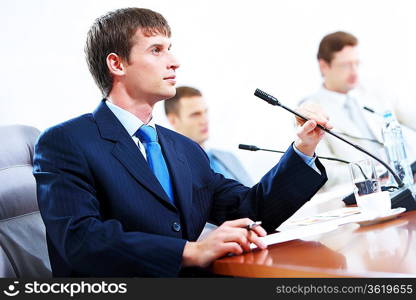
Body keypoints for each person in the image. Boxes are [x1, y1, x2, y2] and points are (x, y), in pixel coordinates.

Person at [33, 7, 330, 277]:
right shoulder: (66, 142)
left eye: (170, 49)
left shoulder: (184, 149)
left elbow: (250, 210)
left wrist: (304, 147)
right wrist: (191, 250)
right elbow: (80, 240)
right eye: (156, 50)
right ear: (117, 64)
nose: (174, 62)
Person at [300, 31, 416, 190]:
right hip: (365, 193)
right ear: (324, 66)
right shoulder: (311, 110)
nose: (354, 71)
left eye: (356, 63)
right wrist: (378, 170)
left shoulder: (375, 90)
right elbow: (325, 173)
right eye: (345, 65)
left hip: (409, 178)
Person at [165, 86, 253, 187]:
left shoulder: (228, 158)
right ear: (173, 120)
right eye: (195, 114)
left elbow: (254, 197)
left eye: (205, 112)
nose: (204, 120)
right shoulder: (171, 168)